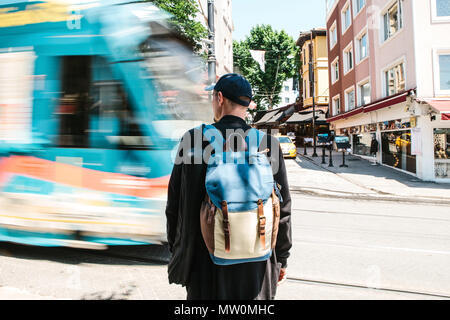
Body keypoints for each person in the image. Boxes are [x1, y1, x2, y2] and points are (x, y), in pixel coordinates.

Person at [165, 73, 292, 300]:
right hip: (258, 264)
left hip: (205, 266)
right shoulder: (267, 144)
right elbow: (283, 209)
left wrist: (178, 252)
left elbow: (174, 204)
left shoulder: (193, 140)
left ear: (220, 98)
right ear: (248, 104)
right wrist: (281, 257)